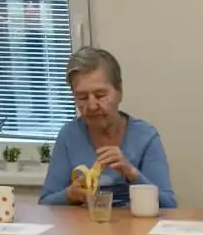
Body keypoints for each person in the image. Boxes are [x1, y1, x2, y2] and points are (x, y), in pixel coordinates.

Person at [39, 47, 176, 209]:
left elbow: (169, 205)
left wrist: (131, 173)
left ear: (119, 92)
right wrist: (69, 195)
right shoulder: (69, 136)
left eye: (100, 95)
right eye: (82, 97)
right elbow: (45, 203)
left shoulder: (145, 137)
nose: (91, 106)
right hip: (84, 224)